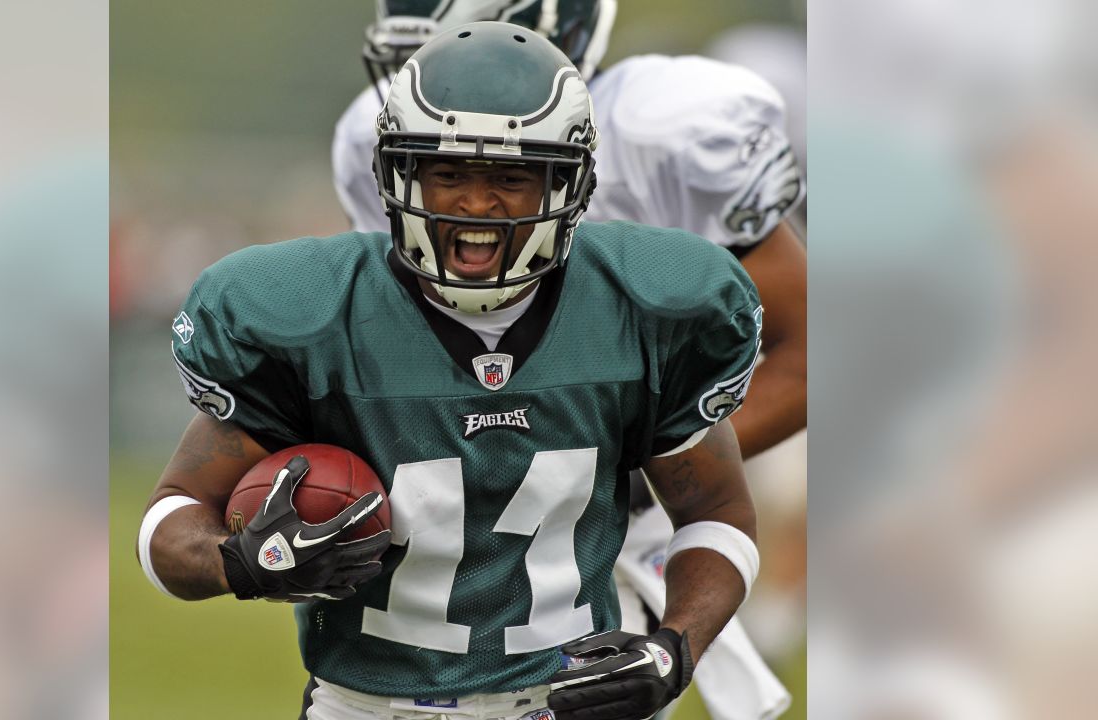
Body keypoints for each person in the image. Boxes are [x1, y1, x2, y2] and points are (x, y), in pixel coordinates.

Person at [140, 22, 763, 720]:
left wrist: (674, 646)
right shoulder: (313, 319)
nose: (475, 204)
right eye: (448, 172)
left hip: (575, 701)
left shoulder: (641, 308)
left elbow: (718, 513)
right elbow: (170, 520)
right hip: (369, 707)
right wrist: (238, 561)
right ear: (396, 173)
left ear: (571, 184)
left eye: (511, 177)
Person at [337, 2, 805, 718]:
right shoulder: (370, 140)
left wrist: (643, 464)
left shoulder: (665, 134)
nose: (426, 85)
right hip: (450, 520)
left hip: (610, 527)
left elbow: (809, 348)